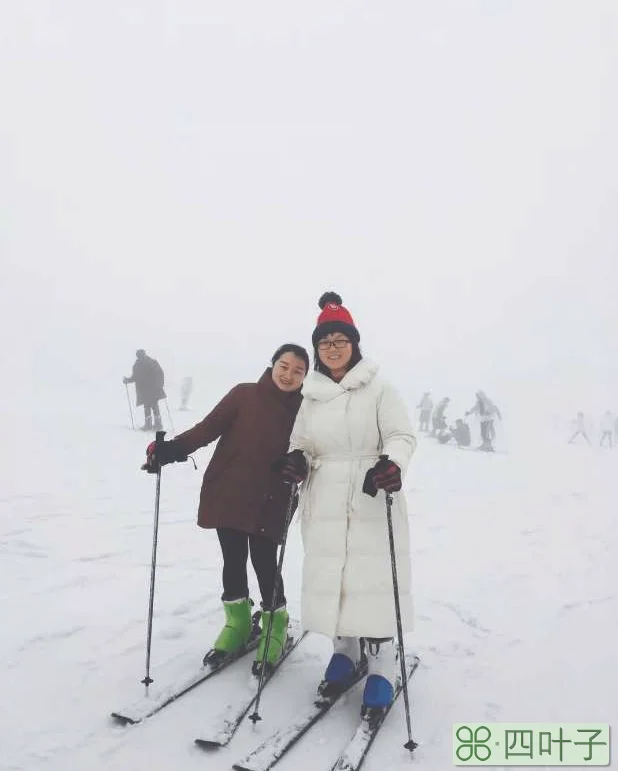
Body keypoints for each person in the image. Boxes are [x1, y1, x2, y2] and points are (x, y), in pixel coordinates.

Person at [278, 292, 416, 712]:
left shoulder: (379, 388)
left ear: (354, 345)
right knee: (331, 578)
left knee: (369, 581)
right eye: (325, 341)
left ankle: (380, 667)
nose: (333, 347)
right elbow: (300, 440)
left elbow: (401, 436)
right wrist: (297, 459)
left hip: (371, 493)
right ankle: (344, 652)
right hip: (324, 497)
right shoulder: (311, 393)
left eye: (341, 339)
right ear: (318, 349)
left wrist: (392, 464)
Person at [143, 344, 309, 671]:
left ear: (305, 377)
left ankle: (275, 625)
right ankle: (239, 623)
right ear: (273, 364)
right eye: (284, 366)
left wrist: (300, 465)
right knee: (232, 558)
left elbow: (311, 449)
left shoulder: (307, 409)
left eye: (298, 371)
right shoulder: (244, 395)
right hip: (229, 490)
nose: (288, 374)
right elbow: (208, 428)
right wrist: (171, 449)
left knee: (264, 560)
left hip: (273, 496)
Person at [123, 349, 166, 431]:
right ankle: (158, 425)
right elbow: (161, 374)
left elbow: (134, 377)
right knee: (154, 405)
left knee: (147, 406)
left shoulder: (138, 365)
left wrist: (127, 380)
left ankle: (149, 425)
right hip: (154, 389)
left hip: (145, 390)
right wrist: (160, 385)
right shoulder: (153, 362)